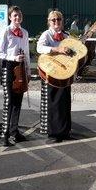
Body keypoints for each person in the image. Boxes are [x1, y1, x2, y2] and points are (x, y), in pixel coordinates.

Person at [0, 6, 31, 147]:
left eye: (19, 15)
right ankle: (4, 134)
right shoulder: (5, 31)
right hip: (9, 67)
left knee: (18, 101)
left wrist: (28, 71)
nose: (17, 18)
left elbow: (27, 53)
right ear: (10, 17)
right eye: (15, 15)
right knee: (9, 102)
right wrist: (13, 58)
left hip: (21, 67)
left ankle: (14, 131)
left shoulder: (24, 32)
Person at [37, 10, 72, 143]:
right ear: (49, 22)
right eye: (53, 20)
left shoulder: (67, 35)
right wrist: (57, 49)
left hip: (64, 72)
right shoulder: (46, 35)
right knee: (53, 101)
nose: (56, 22)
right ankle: (54, 133)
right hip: (51, 71)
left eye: (59, 19)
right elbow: (40, 48)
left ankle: (65, 130)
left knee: (65, 100)